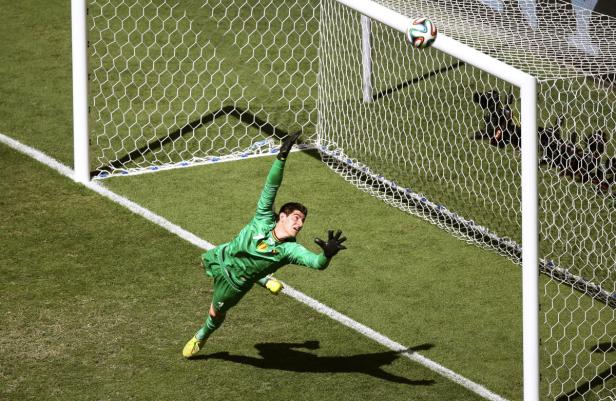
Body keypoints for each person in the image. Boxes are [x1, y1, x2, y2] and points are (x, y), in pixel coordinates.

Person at [182, 133, 347, 358]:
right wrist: (281, 157)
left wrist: (327, 255)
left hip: (234, 283)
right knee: (200, 262)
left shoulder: (290, 250)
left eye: (302, 221)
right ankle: (264, 279)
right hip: (222, 255)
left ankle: (201, 336)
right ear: (281, 216)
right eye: (296, 217)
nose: (299, 224)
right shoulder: (262, 217)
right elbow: (271, 187)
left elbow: (316, 263)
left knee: (216, 312)